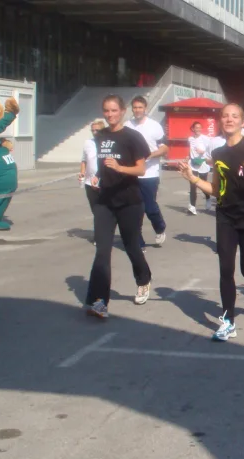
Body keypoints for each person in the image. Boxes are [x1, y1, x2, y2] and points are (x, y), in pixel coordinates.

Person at [178, 103, 244, 341]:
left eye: (234, 116)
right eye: (225, 116)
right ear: (220, 121)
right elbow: (216, 189)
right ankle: (228, 322)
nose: (229, 119)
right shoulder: (218, 153)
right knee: (226, 269)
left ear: (242, 122)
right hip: (226, 216)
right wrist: (193, 178)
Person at [85, 95, 153, 319]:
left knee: (131, 245)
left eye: (114, 110)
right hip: (105, 201)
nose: (110, 114)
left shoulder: (132, 137)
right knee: (102, 250)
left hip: (129, 201)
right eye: (106, 110)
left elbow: (141, 169)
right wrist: (97, 177)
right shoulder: (101, 136)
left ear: (123, 111)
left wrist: (120, 168)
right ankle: (99, 301)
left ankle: (143, 280)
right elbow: (101, 165)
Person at [125, 96, 168, 250]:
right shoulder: (127, 126)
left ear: (145, 109)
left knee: (150, 207)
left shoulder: (154, 126)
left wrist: (148, 156)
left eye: (140, 107)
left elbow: (164, 148)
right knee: (135, 209)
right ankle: (139, 242)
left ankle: (160, 227)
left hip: (150, 174)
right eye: (135, 107)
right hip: (132, 174)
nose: (137, 110)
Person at [79, 119, 106, 214]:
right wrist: (82, 172)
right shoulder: (88, 143)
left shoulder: (107, 142)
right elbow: (84, 160)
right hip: (89, 182)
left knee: (105, 209)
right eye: (92, 130)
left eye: (97, 130)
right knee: (95, 209)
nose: (94, 132)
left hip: (104, 181)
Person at [187, 121, 211, 214]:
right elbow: (190, 150)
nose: (198, 129)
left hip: (203, 164)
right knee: (193, 185)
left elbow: (210, 150)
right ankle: (192, 207)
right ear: (193, 129)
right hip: (193, 164)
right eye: (196, 128)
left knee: (203, 186)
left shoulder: (205, 138)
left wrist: (203, 152)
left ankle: (208, 198)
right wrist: (187, 157)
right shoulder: (190, 139)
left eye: (200, 128)